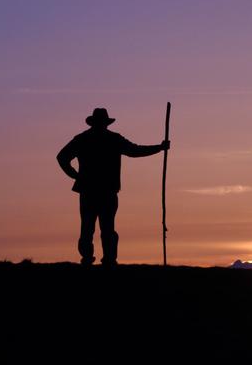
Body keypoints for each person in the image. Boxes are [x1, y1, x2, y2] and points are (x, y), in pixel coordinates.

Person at [57, 108, 170, 266]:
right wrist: (159, 148)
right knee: (104, 227)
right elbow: (134, 150)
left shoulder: (83, 139)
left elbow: (62, 157)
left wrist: (75, 175)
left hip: (92, 190)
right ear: (105, 123)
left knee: (91, 227)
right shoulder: (112, 139)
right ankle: (106, 259)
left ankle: (92, 259)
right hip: (105, 190)